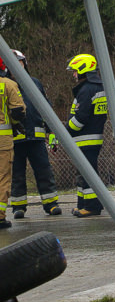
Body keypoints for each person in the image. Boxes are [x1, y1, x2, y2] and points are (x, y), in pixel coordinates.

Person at [9, 50, 62, 217]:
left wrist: (52, 132)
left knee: (44, 170)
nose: (17, 65)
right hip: (14, 139)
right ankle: (18, 207)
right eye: (13, 63)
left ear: (25, 63)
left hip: (37, 138)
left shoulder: (35, 83)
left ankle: (51, 204)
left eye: (20, 62)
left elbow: (45, 108)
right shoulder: (6, 85)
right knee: (16, 174)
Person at [66, 53, 107, 218]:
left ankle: (92, 206)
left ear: (83, 69)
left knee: (88, 173)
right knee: (84, 172)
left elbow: (81, 118)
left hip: (85, 139)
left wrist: (65, 130)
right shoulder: (96, 87)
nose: (74, 75)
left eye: (75, 71)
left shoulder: (86, 89)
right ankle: (82, 204)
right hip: (91, 138)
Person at [0, 56, 26, 229]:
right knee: (2, 177)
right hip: (2, 141)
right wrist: (18, 125)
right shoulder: (8, 84)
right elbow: (18, 111)